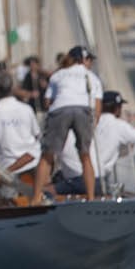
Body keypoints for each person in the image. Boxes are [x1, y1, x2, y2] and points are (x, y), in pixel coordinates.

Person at [32, 45, 102, 201]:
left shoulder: (58, 75)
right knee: (85, 156)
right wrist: (91, 128)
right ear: (84, 60)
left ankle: (36, 198)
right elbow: (97, 109)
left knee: (47, 156)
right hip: (83, 110)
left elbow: (48, 102)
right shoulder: (92, 77)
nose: (90, 63)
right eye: (89, 60)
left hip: (60, 109)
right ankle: (91, 198)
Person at [55, 90, 135, 197]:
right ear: (117, 109)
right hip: (99, 178)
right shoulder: (119, 125)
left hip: (82, 172)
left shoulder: (90, 123)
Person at [0, 72, 42, 196]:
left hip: (7, 170)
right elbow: (37, 135)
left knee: (5, 198)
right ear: (12, 88)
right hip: (33, 168)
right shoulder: (27, 109)